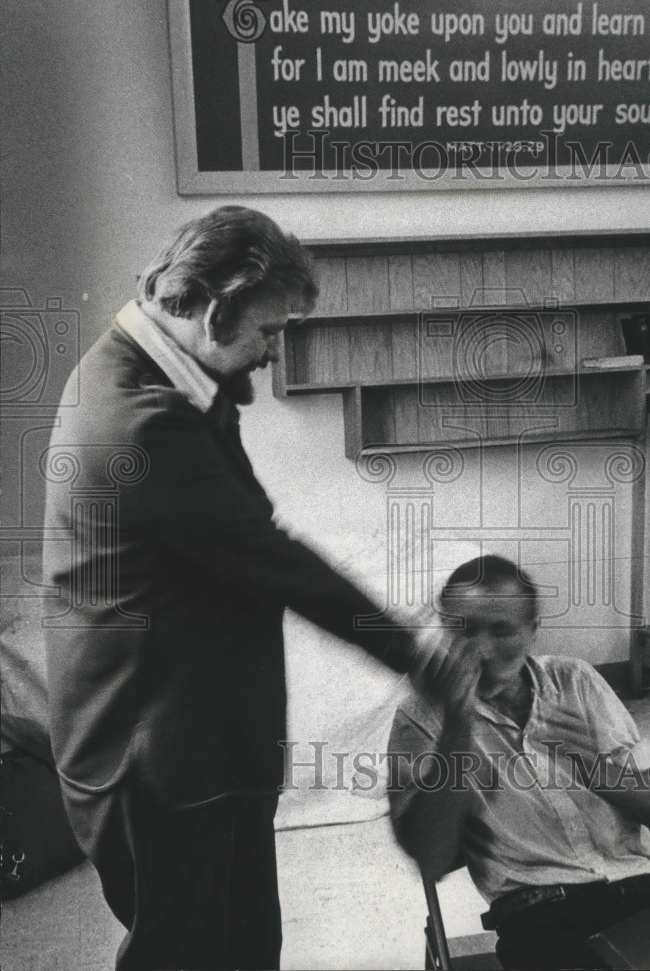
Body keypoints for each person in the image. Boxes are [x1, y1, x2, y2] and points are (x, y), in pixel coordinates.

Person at [42, 206, 470, 971]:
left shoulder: (160, 369)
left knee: (244, 949)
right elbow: (268, 557)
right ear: (213, 308)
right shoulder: (141, 421)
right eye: (270, 331)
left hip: (199, 743)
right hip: (158, 761)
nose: (275, 353)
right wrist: (420, 654)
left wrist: (229, 378)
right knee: (187, 956)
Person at [388, 554, 650, 970]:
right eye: (463, 630)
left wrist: (588, 763)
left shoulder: (575, 681)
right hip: (539, 917)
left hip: (643, 894)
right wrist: (457, 728)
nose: (480, 649)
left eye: (502, 630)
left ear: (533, 632)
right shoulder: (421, 718)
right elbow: (430, 857)